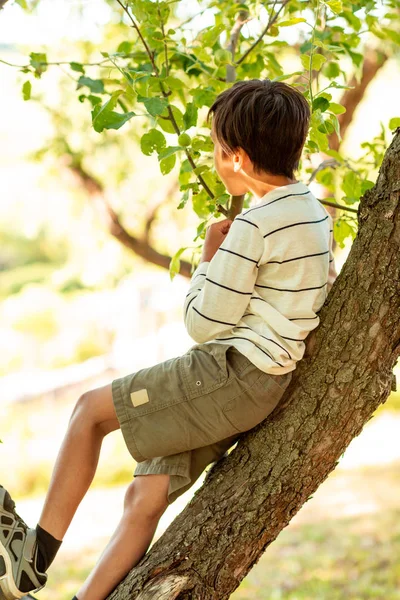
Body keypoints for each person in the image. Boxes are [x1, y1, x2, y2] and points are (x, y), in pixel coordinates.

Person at [0, 79, 338, 600]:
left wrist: (207, 257)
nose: (216, 157)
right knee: (146, 493)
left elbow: (203, 323)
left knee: (88, 413)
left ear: (239, 159)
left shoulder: (257, 225)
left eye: (217, 149)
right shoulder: (313, 213)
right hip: (259, 383)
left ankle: (31, 559)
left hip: (232, 373)